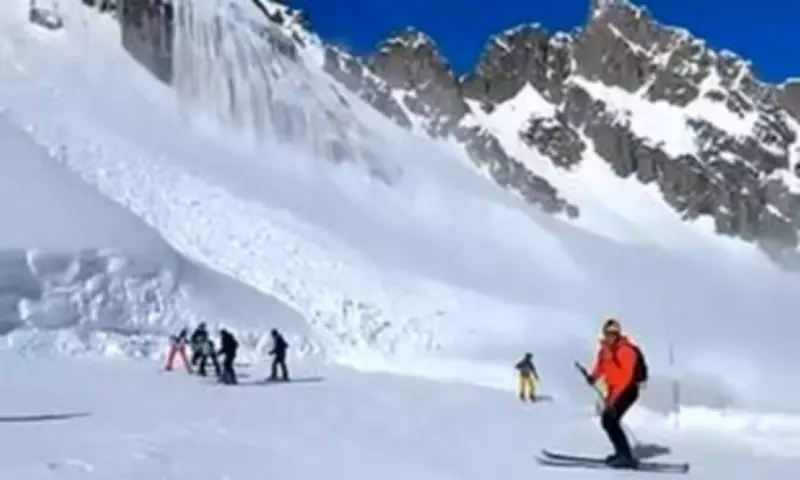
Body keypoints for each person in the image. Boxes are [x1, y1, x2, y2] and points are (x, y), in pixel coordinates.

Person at [585, 318, 645, 468]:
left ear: (618, 333)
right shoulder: (604, 350)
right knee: (608, 421)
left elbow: (626, 377)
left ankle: (625, 456)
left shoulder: (626, 350)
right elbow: (601, 367)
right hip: (614, 392)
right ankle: (622, 453)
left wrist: (613, 400)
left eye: (614, 333)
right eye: (608, 333)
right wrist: (593, 377)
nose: (611, 336)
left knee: (610, 420)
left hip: (627, 390)